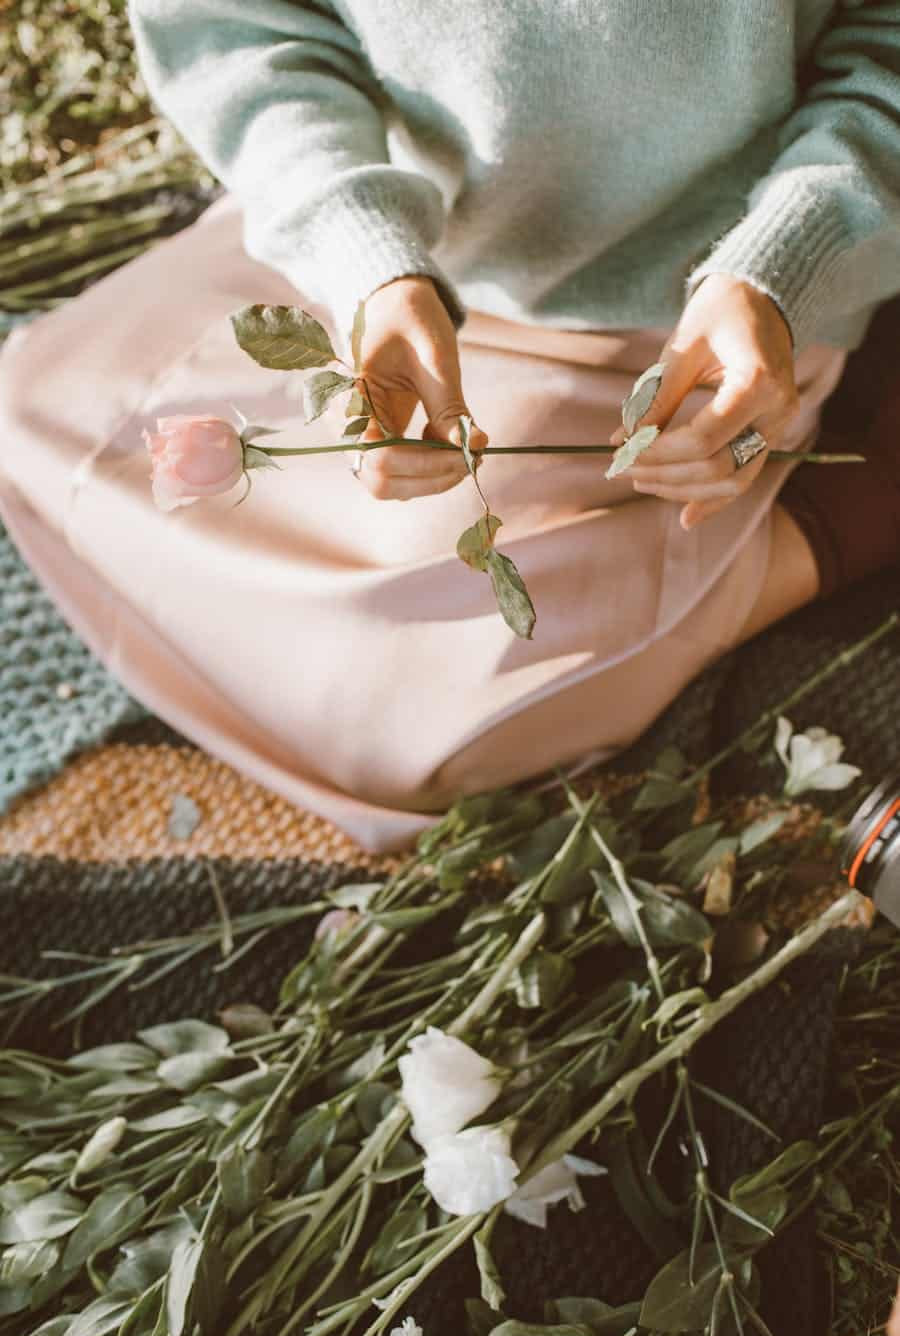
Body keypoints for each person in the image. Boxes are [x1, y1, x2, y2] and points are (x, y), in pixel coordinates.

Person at [0, 1, 899, 854]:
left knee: (427, 717)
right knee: (32, 410)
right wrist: (366, 257)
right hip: (387, 238)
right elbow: (234, 32)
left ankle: (827, 515)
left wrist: (787, 258)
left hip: (712, 307)